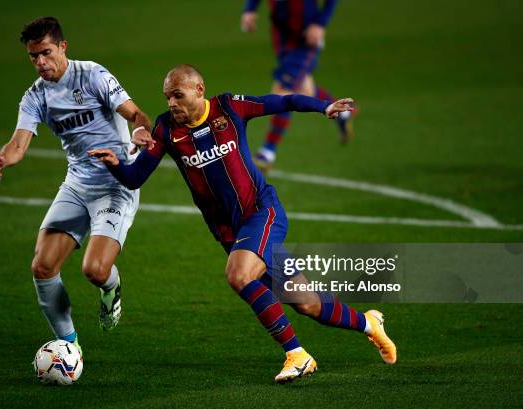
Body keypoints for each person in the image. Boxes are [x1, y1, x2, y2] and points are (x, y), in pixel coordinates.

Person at [87, 65, 396, 383]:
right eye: (167, 97)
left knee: (238, 275)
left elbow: (284, 101)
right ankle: (370, 324)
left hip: (262, 213)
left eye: (177, 96)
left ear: (199, 89)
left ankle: (297, 355)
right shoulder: (166, 130)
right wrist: (114, 164)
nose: (171, 104)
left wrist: (323, 106)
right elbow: (135, 177)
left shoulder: (228, 108)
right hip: (229, 232)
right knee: (308, 304)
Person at [0, 17, 153, 353]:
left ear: (63, 46)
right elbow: (18, 144)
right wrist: (2, 159)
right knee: (43, 266)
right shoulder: (35, 97)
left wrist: (138, 132)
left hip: (115, 183)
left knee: (94, 269)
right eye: (33, 57)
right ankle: (68, 346)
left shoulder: (92, 75)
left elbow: (137, 113)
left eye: (45, 53)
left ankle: (111, 287)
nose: (40, 63)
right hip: (77, 185)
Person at [240, 0, 357, 171]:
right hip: (282, 36)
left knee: (284, 88)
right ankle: (342, 113)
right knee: (304, 89)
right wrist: (250, 9)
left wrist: (320, 23)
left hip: (307, 36)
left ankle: (268, 151)